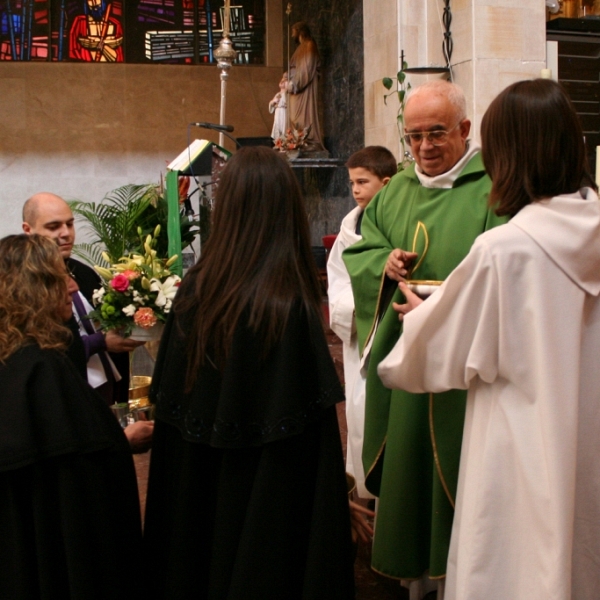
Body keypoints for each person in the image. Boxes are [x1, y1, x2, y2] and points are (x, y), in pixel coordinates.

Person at [378, 78, 600, 600]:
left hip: (519, 443)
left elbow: (427, 359)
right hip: (588, 438)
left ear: (507, 155)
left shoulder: (505, 249)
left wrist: (419, 317)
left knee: (516, 563)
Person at [143, 146, 355, 599]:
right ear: (287, 209)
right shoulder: (290, 303)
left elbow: (174, 429)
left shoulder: (195, 290)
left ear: (230, 207)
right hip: (269, 510)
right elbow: (309, 452)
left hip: (198, 497)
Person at [343, 80, 507, 596]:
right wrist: (383, 264)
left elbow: (504, 272)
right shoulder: (394, 193)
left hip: (463, 369)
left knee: (459, 472)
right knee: (409, 465)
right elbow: (361, 253)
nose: (424, 148)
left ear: (464, 129)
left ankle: (459, 578)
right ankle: (414, 577)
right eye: (413, 137)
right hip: (406, 364)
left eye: (436, 133)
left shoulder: (494, 188)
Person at [0, 234, 143, 599]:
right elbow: (74, 477)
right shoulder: (43, 371)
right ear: (34, 289)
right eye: (60, 276)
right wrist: (122, 443)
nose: (73, 286)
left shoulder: (15, 357)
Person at [22, 192, 143, 406]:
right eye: (54, 227)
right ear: (28, 230)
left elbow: (104, 323)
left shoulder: (83, 272)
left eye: (70, 224)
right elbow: (37, 350)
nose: (66, 233)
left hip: (104, 394)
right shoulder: (20, 283)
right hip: (61, 399)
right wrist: (100, 342)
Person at [327, 145, 397, 501]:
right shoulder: (350, 224)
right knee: (360, 409)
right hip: (360, 332)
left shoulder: (401, 220)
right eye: (351, 182)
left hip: (394, 327)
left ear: (387, 183)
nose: (354, 189)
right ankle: (368, 496)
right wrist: (355, 308)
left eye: (362, 181)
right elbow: (338, 275)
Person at [287, 21, 325, 153]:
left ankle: (310, 140)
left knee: (304, 116)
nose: (292, 35)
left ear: (299, 30)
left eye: (293, 31)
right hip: (294, 90)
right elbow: (294, 67)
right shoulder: (299, 48)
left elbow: (307, 68)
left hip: (303, 89)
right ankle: (298, 141)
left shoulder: (309, 45)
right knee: (293, 118)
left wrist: (295, 83)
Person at [269, 72, 288, 141]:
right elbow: (271, 104)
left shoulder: (287, 94)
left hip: (283, 112)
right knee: (277, 126)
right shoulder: (278, 94)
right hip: (278, 112)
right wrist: (273, 102)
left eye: (285, 81)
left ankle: (283, 142)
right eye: (282, 80)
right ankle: (278, 142)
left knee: (283, 127)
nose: (282, 82)